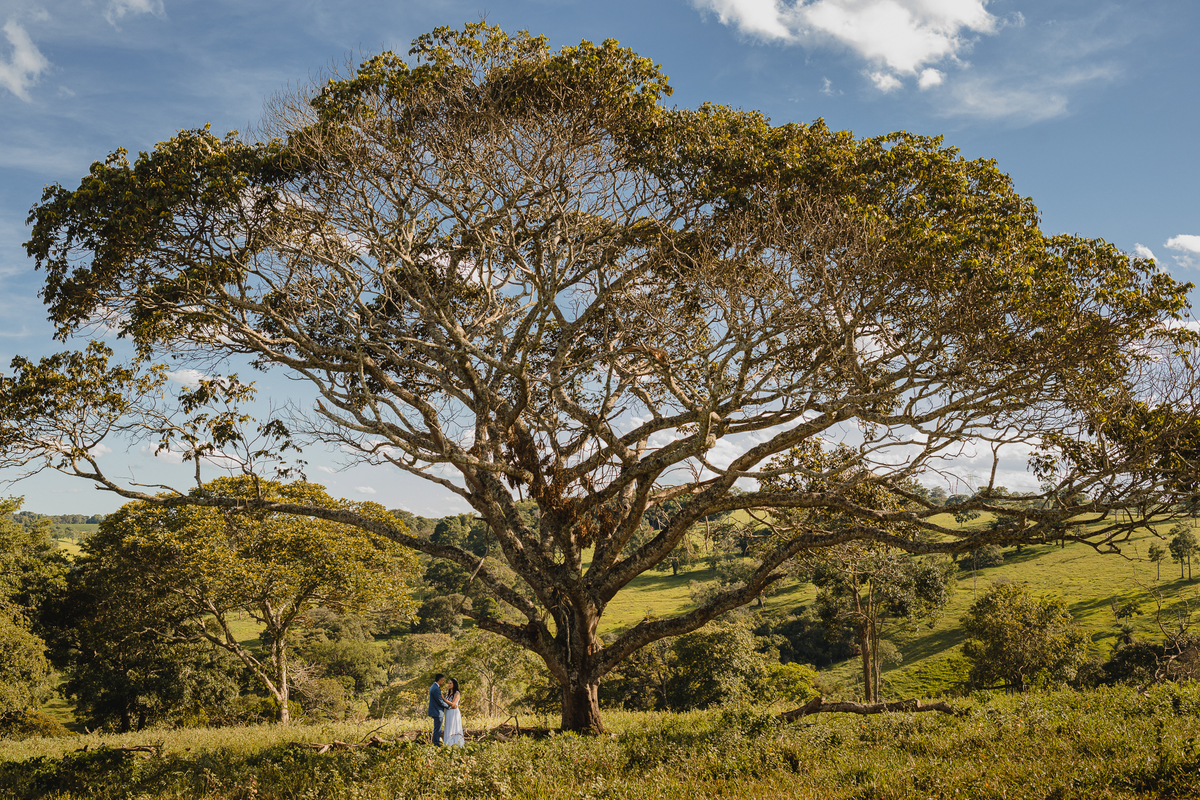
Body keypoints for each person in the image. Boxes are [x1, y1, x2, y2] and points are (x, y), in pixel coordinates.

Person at [427, 673, 450, 745]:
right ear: (440, 680)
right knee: (437, 730)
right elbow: (440, 701)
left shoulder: (433, 686)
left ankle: (436, 743)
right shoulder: (436, 688)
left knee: (437, 729)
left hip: (435, 711)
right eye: (443, 680)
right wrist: (448, 706)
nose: (443, 682)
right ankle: (436, 744)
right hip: (437, 712)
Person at [443, 677, 465, 747]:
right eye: (449, 683)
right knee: (448, 727)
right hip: (448, 712)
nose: (449, 684)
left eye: (450, 683)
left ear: (454, 684)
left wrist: (443, 699)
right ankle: (448, 744)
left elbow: (453, 703)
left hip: (454, 713)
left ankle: (456, 743)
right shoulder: (447, 693)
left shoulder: (457, 693)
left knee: (454, 727)